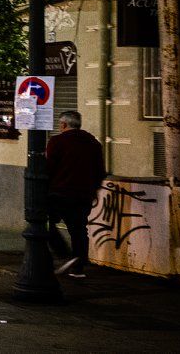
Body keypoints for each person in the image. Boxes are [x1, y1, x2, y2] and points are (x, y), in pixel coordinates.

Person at [45, 111, 105, 279]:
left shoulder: (57, 141)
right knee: (78, 229)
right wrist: (93, 189)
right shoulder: (93, 143)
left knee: (44, 223)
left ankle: (63, 254)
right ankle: (78, 267)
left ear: (63, 125)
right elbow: (100, 171)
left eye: (60, 124)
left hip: (59, 192)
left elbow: (49, 168)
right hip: (83, 195)